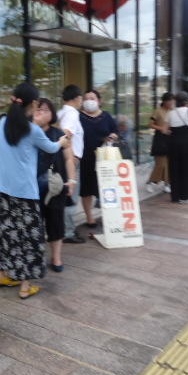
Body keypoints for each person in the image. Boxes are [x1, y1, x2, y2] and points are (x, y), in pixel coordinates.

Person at [0, 83, 70, 298]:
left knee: (4, 232)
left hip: (0, 189)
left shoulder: (2, 122)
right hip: (23, 192)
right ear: (33, 103)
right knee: (27, 237)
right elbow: (52, 148)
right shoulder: (32, 130)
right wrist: (62, 141)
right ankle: (25, 287)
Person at [34, 98, 76, 273]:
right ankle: (36, 257)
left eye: (45, 110)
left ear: (52, 113)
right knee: (34, 223)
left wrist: (71, 180)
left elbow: (69, 159)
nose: (41, 113)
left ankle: (56, 257)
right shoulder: (28, 133)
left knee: (56, 222)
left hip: (56, 185)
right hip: (32, 187)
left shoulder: (59, 133)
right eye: (38, 109)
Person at [79, 90, 117, 227]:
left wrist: (112, 137)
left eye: (92, 98)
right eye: (86, 98)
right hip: (86, 158)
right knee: (87, 190)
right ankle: (90, 218)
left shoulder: (106, 116)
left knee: (107, 186)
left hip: (104, 158)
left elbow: (115, 131)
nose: (89, 101)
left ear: (99, 101)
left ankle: (110, 216)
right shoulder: (78, 116)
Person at [57, 85, 85, 244]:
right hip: (71, 160)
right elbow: (66, 134)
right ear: (77, 98)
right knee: (70, 196)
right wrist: (71, 158)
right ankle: (67, 231)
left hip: (67, 160)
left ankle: (65, 229)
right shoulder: (72, 114)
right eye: (81, 98)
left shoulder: (62, 112)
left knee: (66, 195)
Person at [166, 91, 188, 204]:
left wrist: (174, 132)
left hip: (174, 143)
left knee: (175, 168)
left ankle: (177, 197)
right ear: (187, 101)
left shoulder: (171, 113)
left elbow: (165, 130)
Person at [147, 92, 175, 194]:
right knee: (160, 163)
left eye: (173, 101)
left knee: (168, 163)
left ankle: (167, 184)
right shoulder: (158, 111)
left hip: (170, 139)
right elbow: (150, 124)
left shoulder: (173, 111)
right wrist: (162, 128)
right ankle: (151, 182)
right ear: (165, 101)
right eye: (170, 101)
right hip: (160, 139)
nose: (172, 103)